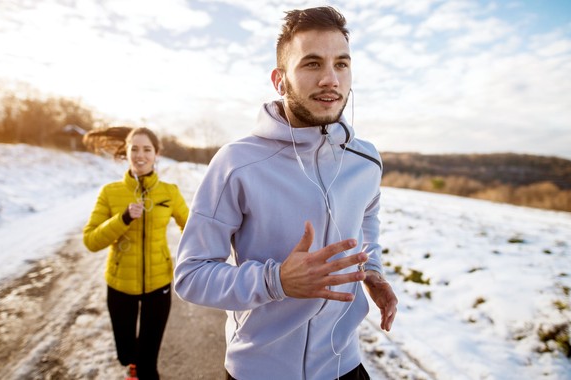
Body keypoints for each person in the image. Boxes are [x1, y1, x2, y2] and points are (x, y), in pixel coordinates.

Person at [174, 6, 398, 380]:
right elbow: (191, 275)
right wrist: (275, 281)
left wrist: (372, 270)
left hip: (345, 366)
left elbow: (367, 217)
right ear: (280, 80)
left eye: (341, 64)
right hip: (259, 371)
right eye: (312, 64)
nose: (331, 79)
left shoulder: (366, 160)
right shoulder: (237, 163)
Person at [83, 127, 189, 380]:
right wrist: (123, 218)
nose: (140, 155)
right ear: (126, 152)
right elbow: (91, 241)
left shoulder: (169, 192)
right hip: (120, 285)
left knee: (148, 362)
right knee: (127, 352)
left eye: (147, 149)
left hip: (158, 285)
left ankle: (142, 370)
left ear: (156, 154)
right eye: (134, 149)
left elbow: (191, 228)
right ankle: (132, 364)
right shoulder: (110, 192)